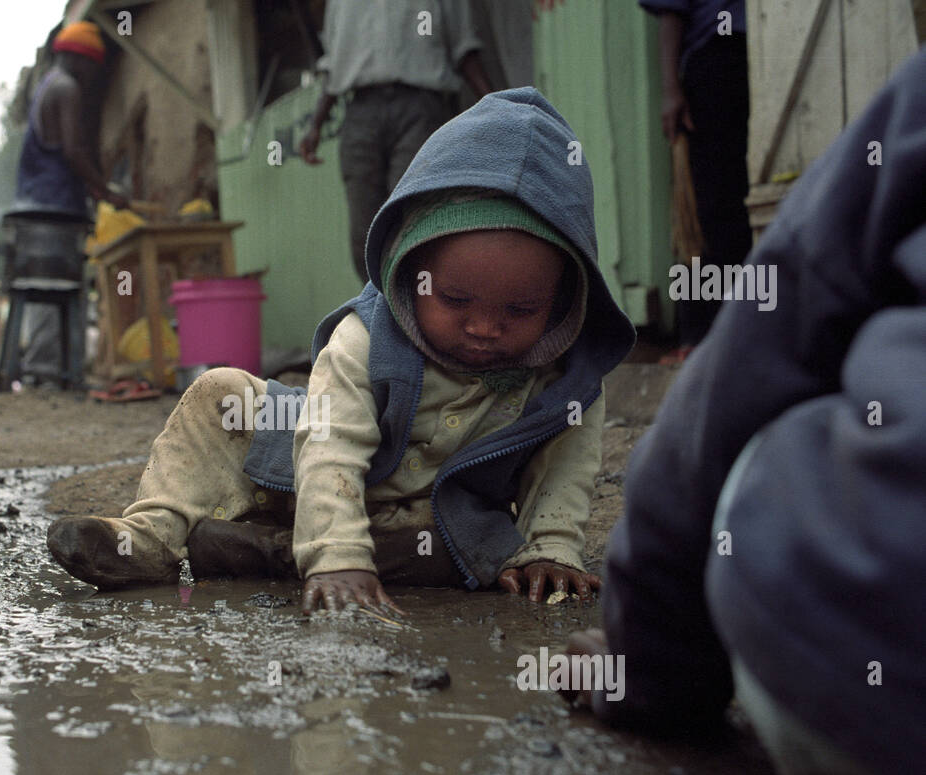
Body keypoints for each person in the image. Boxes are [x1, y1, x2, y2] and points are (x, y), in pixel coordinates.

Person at [48, 88, 636, 615]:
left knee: (469, 556)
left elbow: (565, 471)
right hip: (304, 476)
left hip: (430, 524)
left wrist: (551, 549)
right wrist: (337, 557)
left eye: (520, 311)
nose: (485, 327)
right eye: (456, 299)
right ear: (410, 269)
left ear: (563, 302)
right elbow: (329, 444)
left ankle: (258, 553)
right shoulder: (366, 339)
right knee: (219, 392)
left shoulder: (565, 379)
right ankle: (153, 536)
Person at [568, 50, 926, 775]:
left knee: (774, 419)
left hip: (876, 646)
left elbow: (725, 400)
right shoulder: (362, 358)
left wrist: (646, 672)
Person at [298, 0, 493, 283]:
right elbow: (334, 63)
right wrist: (315, 125)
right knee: (365, 231)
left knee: (412, 217)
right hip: (360, 113)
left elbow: (464, 51)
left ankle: (416, 312)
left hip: (421, 108)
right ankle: (380, 312)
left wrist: (498, 106)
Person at [11, 21, 126, 390]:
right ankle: (48, 374)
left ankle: (46, 371)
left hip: (37, 204)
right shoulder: (67, 88)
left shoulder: (47, 85)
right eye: (93, 67)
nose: (94, 76)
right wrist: (105, 191)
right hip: (54, 207)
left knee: (43, 288)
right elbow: (74, 152)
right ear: (81, 60)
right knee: (54, 287)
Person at [641, 0, 751, 362]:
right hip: (718, 60)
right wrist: (672, 89)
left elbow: (672, 12)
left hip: (739, 58)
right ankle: (703, 336)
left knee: (723, 207)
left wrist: (672, 89)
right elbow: (673, 11)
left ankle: (719, 335)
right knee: (707, 211)